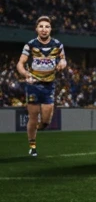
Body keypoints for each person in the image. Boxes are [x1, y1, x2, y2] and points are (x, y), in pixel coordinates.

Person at [16, 16, 67, 157]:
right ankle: (32, 146)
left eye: (47, 27)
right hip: (33, 85)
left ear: (50, 29)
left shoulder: (57, 44)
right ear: (36, 29)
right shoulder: (30, 45)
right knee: (33, 117)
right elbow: (20, 64)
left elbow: (63, 59)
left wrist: (62, 63)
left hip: (49, 85)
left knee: (46, 121)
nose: (44, 29)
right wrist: (26, 74)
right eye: (41, 27)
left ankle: (37, 128)